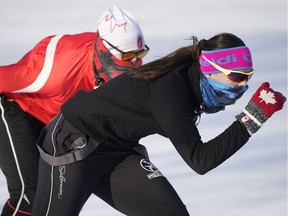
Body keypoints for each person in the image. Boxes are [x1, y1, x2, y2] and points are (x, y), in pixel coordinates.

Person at [32, 33, 286, 216]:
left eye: (248, 77)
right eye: (237, 77)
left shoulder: (189, 83)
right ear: (210, 69)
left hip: (117, 152)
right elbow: (200, 160)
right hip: (73, 144)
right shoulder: (172, 90)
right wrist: (251, 120)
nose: (243, 85)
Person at [0, 5, 149, 216]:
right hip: (16, 108)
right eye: (127, 57)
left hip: (54, 124)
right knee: (29, 195)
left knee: (56, 198)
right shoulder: (54, 71)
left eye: (140, 54)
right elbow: (5, 78)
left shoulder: (119, 71)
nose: (136, 63)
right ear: (105, 51)